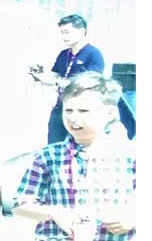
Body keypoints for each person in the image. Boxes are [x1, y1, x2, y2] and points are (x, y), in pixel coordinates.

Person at [13, 72, 136, 241]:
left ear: (110, 113)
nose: (73, 118)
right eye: (68, 110)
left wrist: (133, 216)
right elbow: (20, 204)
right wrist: (53, 212)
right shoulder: (48, 156)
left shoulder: (131, 156)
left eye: (83, 111)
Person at [30, 14, 105, 144]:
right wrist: (41, 76)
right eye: (62, 33)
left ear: (81, 31)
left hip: (83, 110)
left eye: (67, 32)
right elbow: (56, 75)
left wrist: (57, 81)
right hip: (61, 107)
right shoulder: (64, 54)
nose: (64, 36)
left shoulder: (94, 54)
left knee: (81, 146)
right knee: (54, 145)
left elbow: (91, 83)